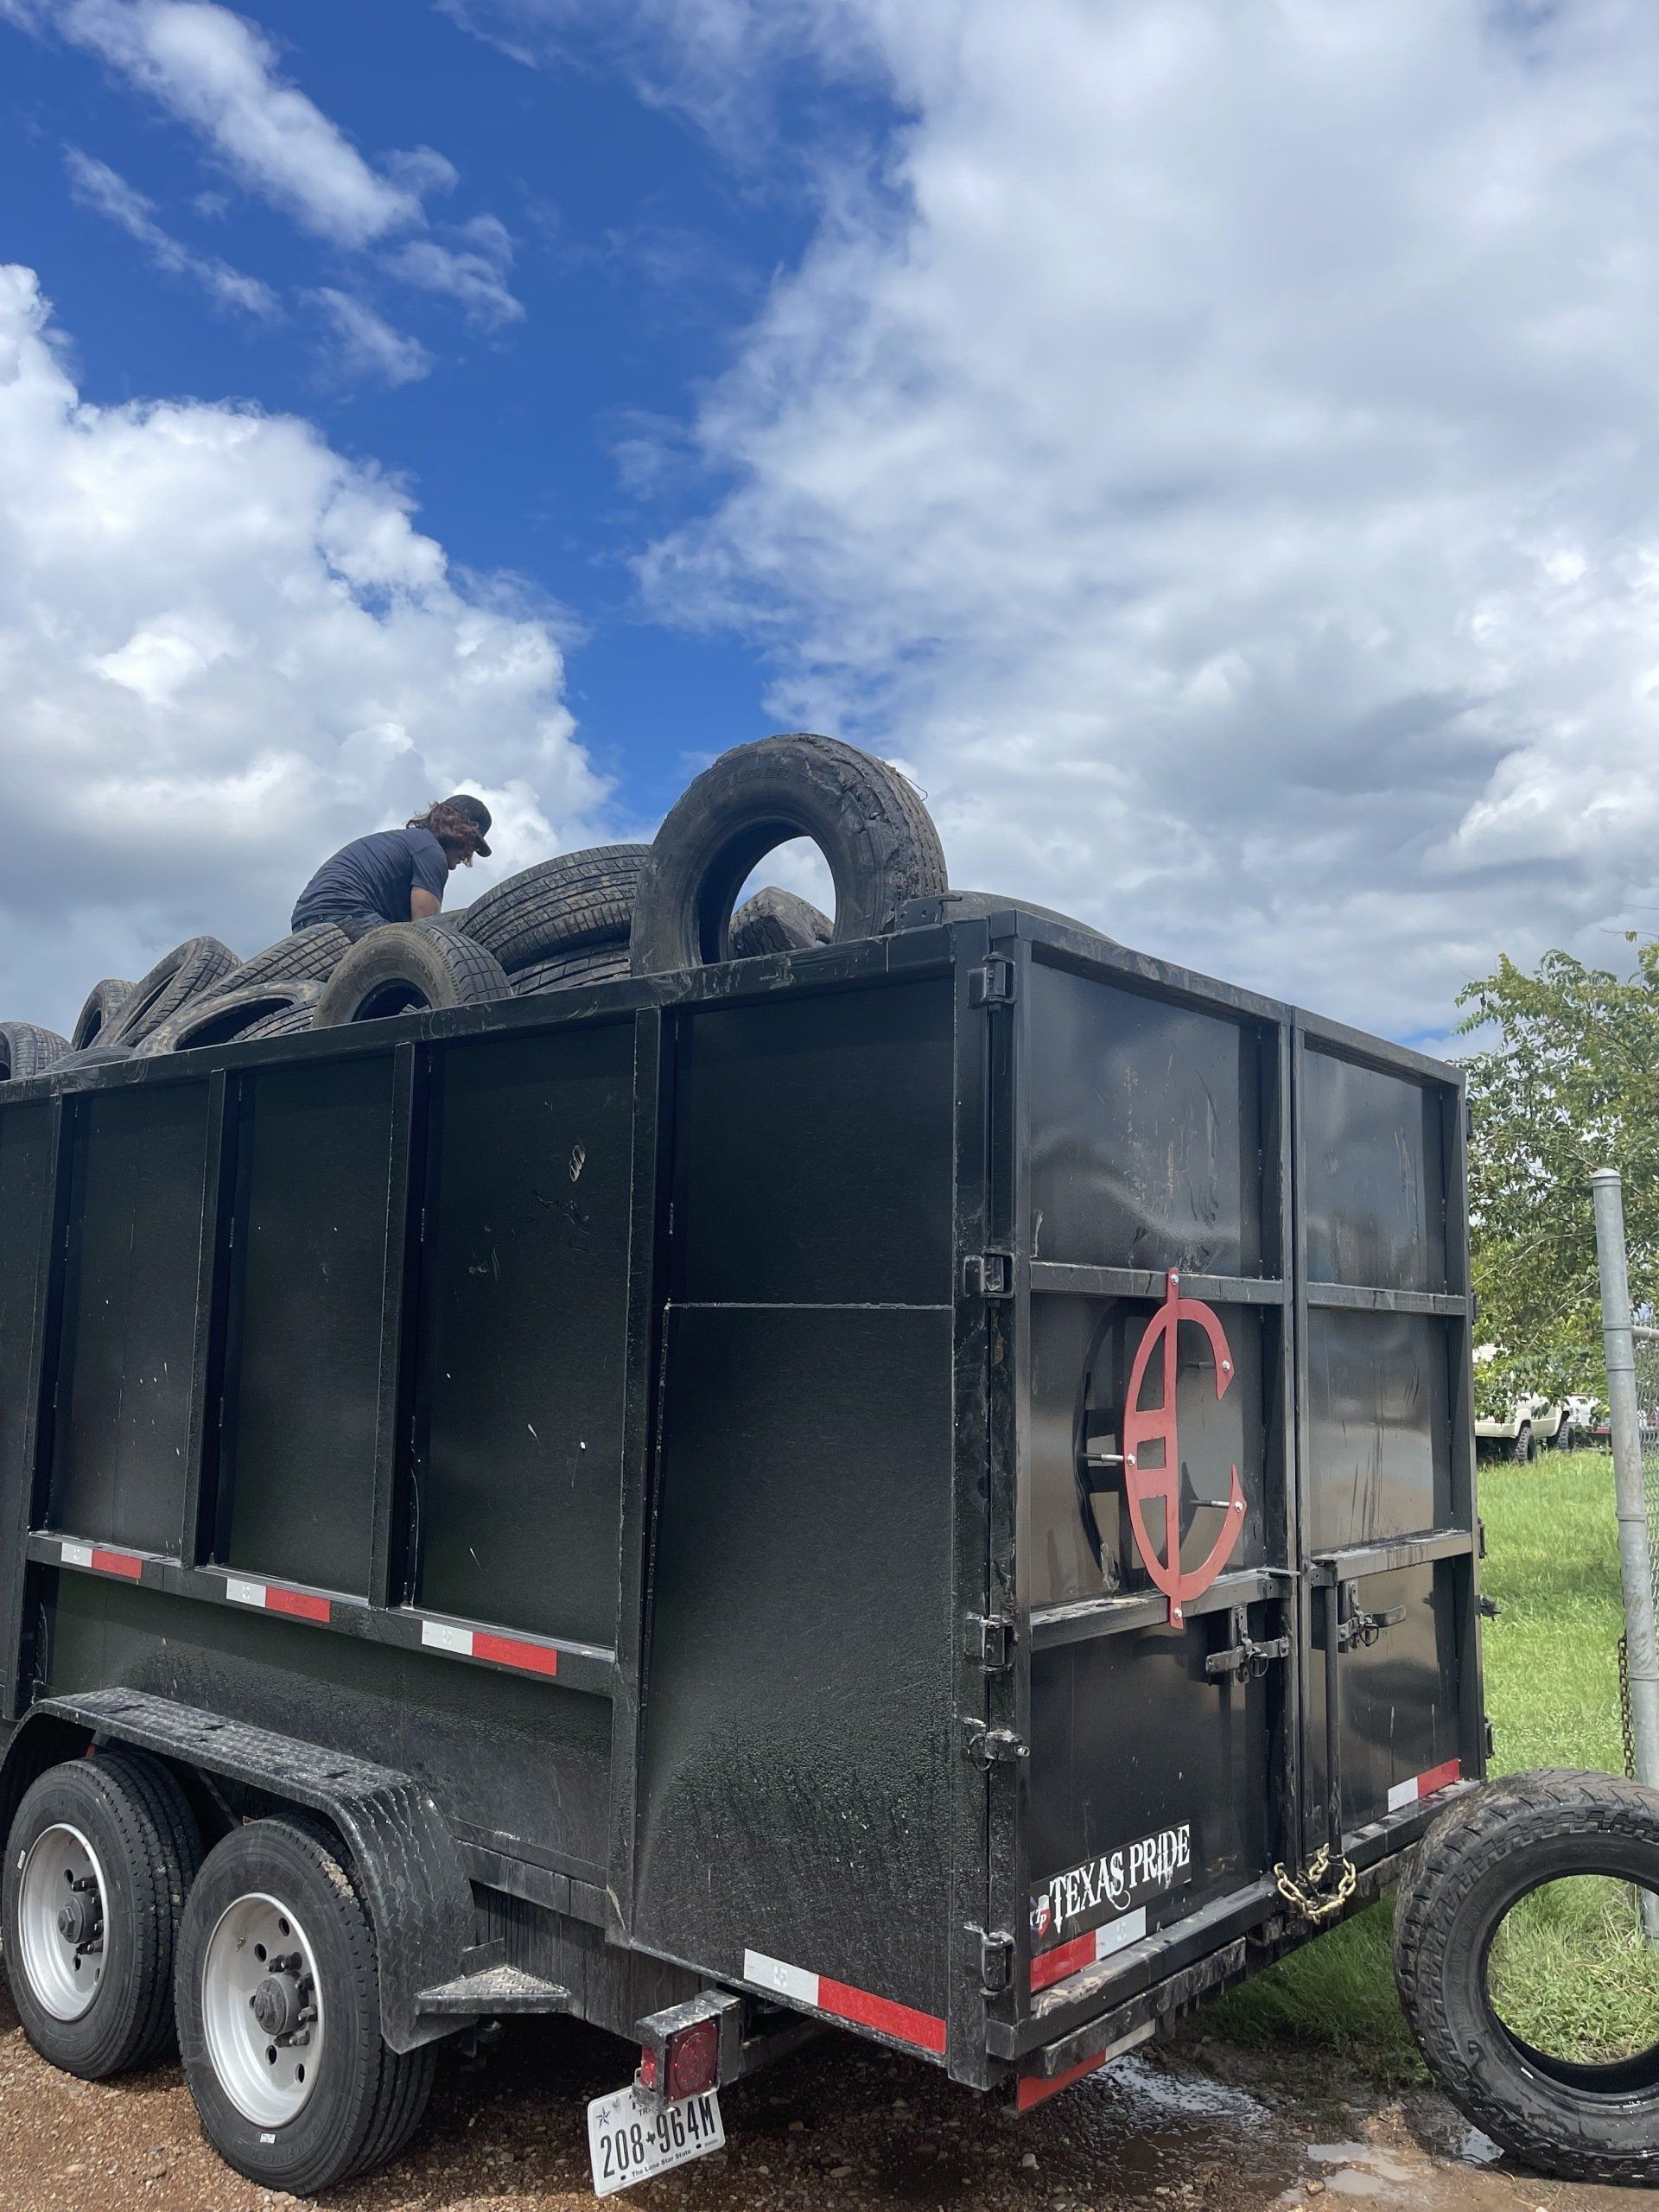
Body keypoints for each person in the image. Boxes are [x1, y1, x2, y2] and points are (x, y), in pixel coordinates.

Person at [290, 797, 493, 937]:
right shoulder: (431, 853)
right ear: (461, 833)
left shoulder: (410, 841)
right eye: (472, 845)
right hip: (346, 910)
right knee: (419, 961)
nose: (468, 855)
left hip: (305, 916)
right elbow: (426, 928)